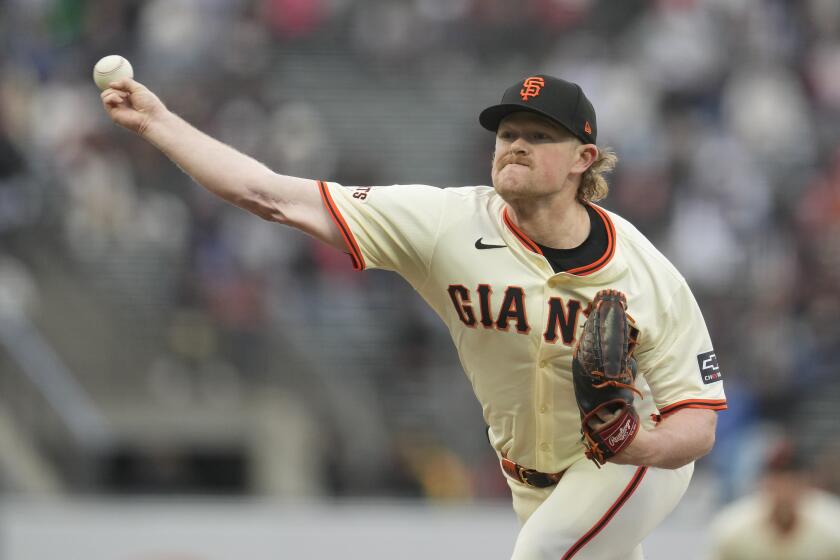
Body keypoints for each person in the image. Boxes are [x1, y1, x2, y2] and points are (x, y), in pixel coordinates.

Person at [100, 73, 727, 559]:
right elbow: (269, 195)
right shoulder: (447, 225)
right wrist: (158, 123)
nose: (515, 146)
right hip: (530, 480)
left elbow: (697, 425)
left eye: (539, 136)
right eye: (508, 134)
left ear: (584, 159)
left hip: (624, 464)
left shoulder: (647, 274)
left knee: (541, 554)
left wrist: (637, 442)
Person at [706, 439, 840, 560]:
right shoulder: (733, 527)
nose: (785, 490)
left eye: (792, 480)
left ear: (806, 483)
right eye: (778, 480)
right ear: (765, 483)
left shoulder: (833, 526)